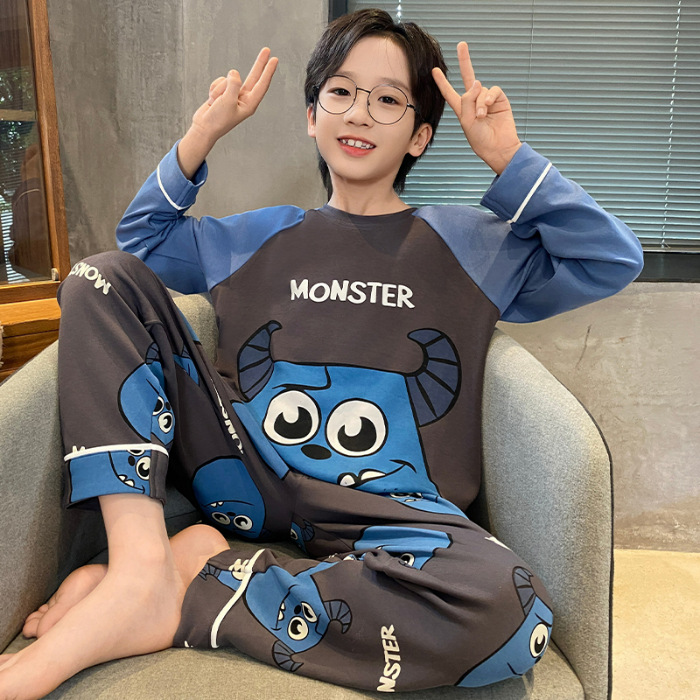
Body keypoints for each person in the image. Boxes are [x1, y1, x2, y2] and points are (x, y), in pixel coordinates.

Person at [0, 8, 643, 698]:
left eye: (388, 99)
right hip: (246, 474)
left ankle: (197, 580)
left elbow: (610, 259)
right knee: (99, 278)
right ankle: (137, 569)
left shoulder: (473, 244)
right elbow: (142, 242)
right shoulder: (255, 236)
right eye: (340, 92)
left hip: (392, 513)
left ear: (420, 136)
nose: (359, 112)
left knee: (509, 612)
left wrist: (508, 158)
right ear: (312, 116)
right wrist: (202, 134)